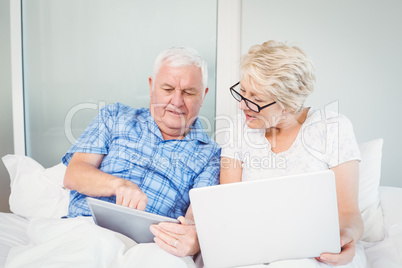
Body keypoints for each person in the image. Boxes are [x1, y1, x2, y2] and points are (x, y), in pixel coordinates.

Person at [62, 46, 221, 258]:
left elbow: (194, 220)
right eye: (167, 89)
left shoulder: (211, 155)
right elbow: (74, 175)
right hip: (87, 231)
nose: (177, 101)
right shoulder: (114, 116)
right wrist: (119, 185)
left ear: (203, 96)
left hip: (152, 248)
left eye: (189, 92)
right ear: (151, 86)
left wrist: (195, 240)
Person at [219, 41, 367, 267]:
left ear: (288, 104)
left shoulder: (332, 128)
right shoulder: (236, 130)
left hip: (313, 252)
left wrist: (345, 238)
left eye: (256, 99)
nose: (242, 106)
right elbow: (228, 207)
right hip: (254, 247)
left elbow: (349, 214)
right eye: (242, 92)